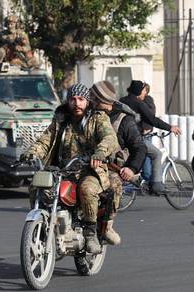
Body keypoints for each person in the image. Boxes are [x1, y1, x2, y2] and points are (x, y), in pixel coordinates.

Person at [23, 83, 120, 254]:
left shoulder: (98, 118)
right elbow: (45, 140)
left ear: (87, 101)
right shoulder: (61, 120)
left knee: (87, 189)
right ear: (68, 101)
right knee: (36, 187)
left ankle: (90, 233)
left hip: (90, 169)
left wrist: (99, 153)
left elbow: (109, 138)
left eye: (81, 99)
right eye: (73, 99)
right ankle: (41, 226)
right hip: (62, 170)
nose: (77, 103)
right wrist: (31, 153)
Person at [90, 80, 146, 245]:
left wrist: (131, 168)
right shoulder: (87, 115)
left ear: (105, 101)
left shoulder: (124, 121)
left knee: (113, 186)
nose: (90, 102)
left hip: (110, 168)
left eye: (94, 98)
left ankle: (106, 226)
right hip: (85, 164)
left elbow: (140, 147)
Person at [120, 80, 181, 194]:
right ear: (139, 92)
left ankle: (140, 180)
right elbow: (152, 119)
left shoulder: (122, 101)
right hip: (133, 139)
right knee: (157, 154)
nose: (145, 94)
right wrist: (170, 127)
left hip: (120, 138)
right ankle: (156, 185)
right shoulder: (138, 103)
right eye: (144, 91)